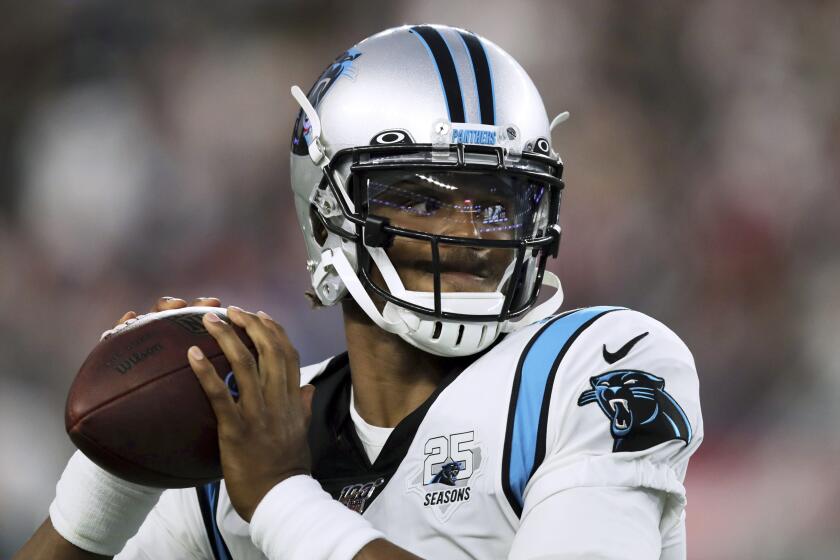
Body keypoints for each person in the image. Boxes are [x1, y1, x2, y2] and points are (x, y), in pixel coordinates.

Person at [15, 24, 703, 560]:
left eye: (497, 203)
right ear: (325, 214)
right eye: (422, 199)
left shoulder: (593, 365)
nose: (471, 232)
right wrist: (110, 485)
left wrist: (285, 503)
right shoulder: (248, 425)